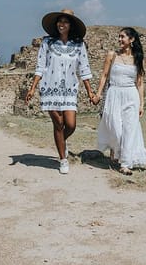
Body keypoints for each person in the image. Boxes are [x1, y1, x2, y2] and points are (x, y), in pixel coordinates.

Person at [24, 9, 97, 174]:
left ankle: (60, 142)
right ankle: (63, 159)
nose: (61, 24)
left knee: (70, 125)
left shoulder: (79, 45)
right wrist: (33, 87)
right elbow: (40, 66)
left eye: (65, 21)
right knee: (58, 124)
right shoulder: (47, 43)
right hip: (50, 88)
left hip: (70, 90)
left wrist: (90, 92)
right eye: (59, 21)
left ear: (70, 25)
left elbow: (84, 69)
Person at [91, 27, 146, 175]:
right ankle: (116, 150)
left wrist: (142, 103)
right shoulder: (112, 55)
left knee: (130, 130)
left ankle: (125, 164)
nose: (119, 40)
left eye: (122, 37)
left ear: (131, 40)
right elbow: (104, 75)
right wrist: (99, 94)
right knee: (115, 126)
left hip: (131, 95)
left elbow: (140, 82)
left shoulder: (138, 58)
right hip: (114, 94)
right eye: (119, 37)